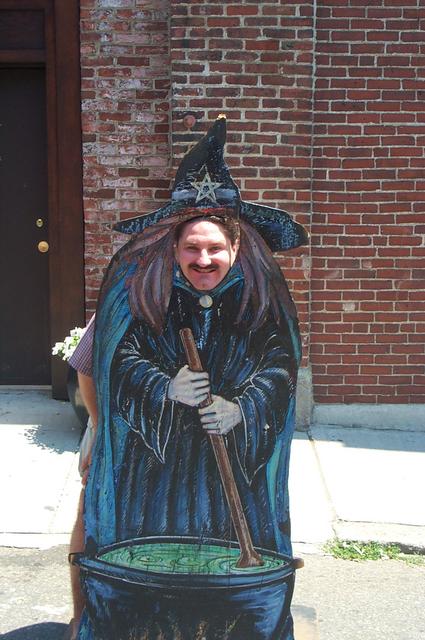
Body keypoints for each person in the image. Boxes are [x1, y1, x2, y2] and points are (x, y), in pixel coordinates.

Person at [75, 115, 308, 639]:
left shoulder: (260, 301)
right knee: (152, 569)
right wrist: (164, 388)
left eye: (214, 249)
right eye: (192, 248)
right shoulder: (142, 295)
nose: (203, 259)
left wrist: (241, 409)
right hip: (156, 471)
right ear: (174, 248)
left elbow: (278, 368)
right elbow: (114, 360)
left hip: (235, 472)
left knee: (226, 578)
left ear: (235, 249)